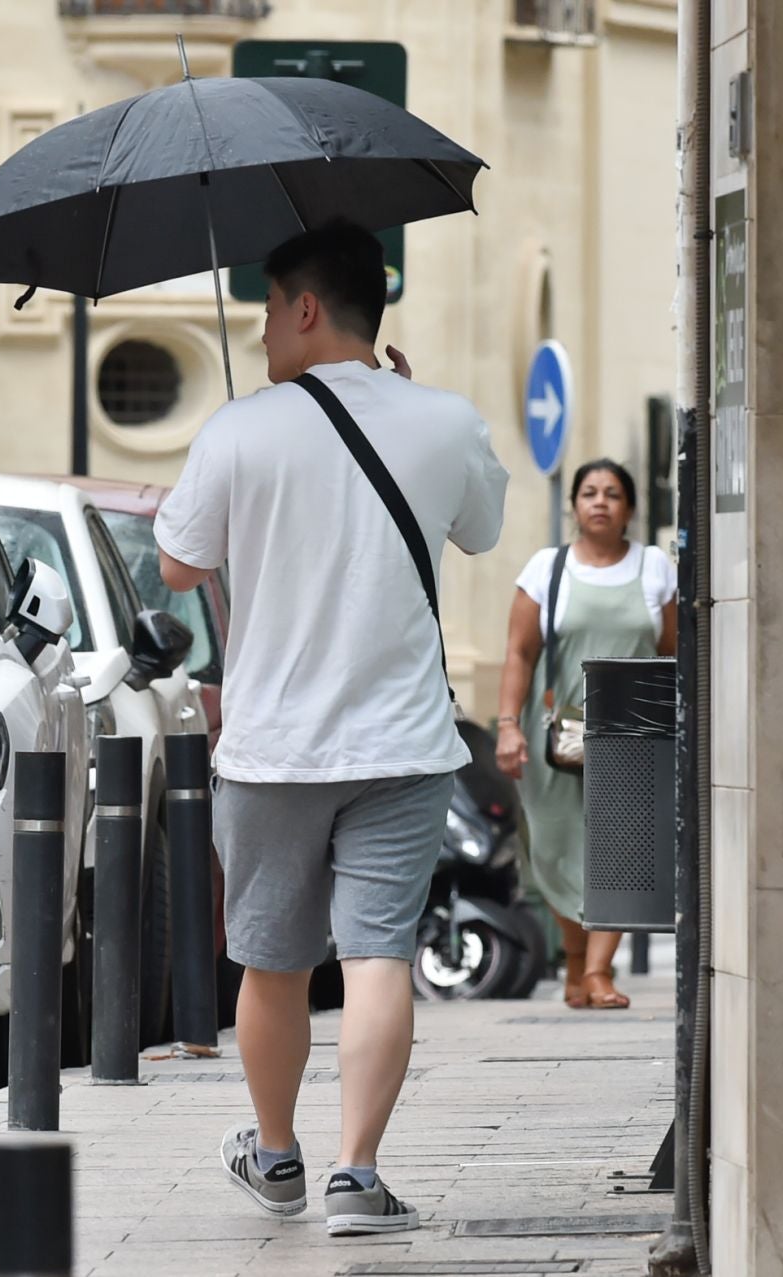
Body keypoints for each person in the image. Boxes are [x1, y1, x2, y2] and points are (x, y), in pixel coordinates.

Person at [155, 220, 508, 1236]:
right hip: (403, 744)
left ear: (306, 307)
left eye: (269, 308)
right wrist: (416, 406)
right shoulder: (445, 417)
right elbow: (481, 529)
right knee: (377, 955)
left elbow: (178, 565)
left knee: (273, 963)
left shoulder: (238, 427)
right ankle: (358, 1174)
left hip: (272, 748)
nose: (263, 329)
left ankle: (276, 1155)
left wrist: (229, 466)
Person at [494, 460, 677, 1009]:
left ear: (629, 509)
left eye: (613, 494)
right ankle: (576, 962)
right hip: (555, 733)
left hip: (632, 730)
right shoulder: (546, 569)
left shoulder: (654, 568)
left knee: (620, 850)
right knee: (553, 851)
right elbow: (519, 653)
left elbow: (673, 650)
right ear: (574, 505)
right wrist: (507, 725)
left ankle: (598, 971)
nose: (600, 502)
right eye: (590, 493)